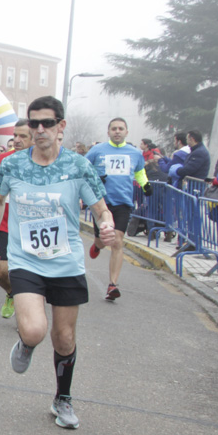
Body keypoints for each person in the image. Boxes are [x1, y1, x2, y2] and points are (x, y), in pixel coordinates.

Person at [0, 96, 117, 430]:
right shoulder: (13, 164)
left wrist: (105, 225)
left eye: (47, 123)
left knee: (64, 338)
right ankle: (27, 343)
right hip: (25, 259)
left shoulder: (78, 165)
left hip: (67, 261)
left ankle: (63, 398)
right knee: (34, 329)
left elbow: (100, 207)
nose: (40, 129)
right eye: (33, 123)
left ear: (62, 126)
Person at [85, 118, 149, 301]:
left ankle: (113, 284)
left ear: (127, 132)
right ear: (108, 132)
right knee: (103, 240)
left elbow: (139, 172)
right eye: (114, 129)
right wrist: (94, 180)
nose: (117, 131)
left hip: (123, 203)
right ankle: (97, 245)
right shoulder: (98, 150)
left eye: (121, 129)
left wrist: (146, 185)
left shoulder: (135, 153)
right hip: (101, 202)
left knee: (117, 240)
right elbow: (84, 168)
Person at [0, 119, 31, 318]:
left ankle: (26, 309)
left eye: (23, 136)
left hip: (33, 226)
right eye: (15, 135)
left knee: (29, 274)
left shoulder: (45, 163)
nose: (16, 140)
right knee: (1, 270)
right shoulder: (3, 159)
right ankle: (11, 293)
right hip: (7, 221)